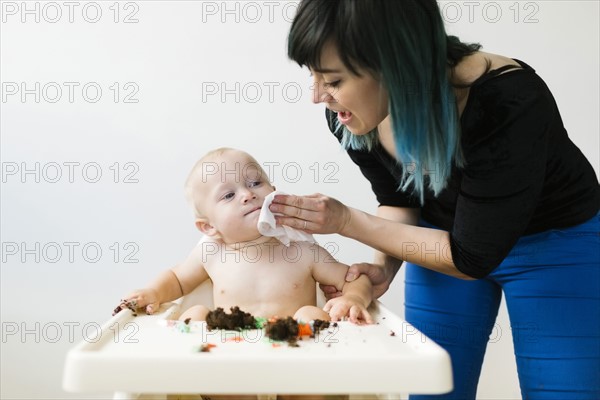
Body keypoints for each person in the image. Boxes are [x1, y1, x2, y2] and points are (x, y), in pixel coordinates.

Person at [270, 1, 600, 399]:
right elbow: (398, 199)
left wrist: (344, 221)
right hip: (442, 239)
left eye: (334, 81)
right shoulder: (352, 117)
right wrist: (380, 272)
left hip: (555, 243)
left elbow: (471, 257)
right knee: (433, 391)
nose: (317, 96)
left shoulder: (508, 102)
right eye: (314, 76)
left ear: (395, 65)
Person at [120, 147, 373, 327]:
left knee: (312, 315)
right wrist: (153, 292)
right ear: (209, 227)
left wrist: (353, 297)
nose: (247, 194)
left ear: (274, 192)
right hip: (232, 357)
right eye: (228, 195)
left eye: (255, 183)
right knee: (195, 315)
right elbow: (176, 279)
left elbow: (354, 277)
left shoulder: (301, 249)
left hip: (293, 351)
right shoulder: (212, 252)